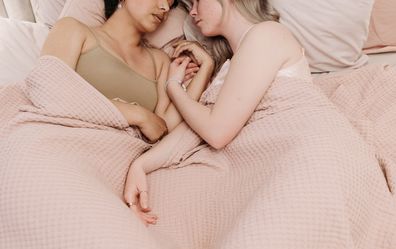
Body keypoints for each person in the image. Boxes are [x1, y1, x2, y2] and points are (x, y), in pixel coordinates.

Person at [124, 0, 311, 213]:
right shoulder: (233, 63)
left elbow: (216, 131)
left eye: (197, 1)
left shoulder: (266, 34)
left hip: (296, 158)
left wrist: (174, 87)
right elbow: (198, 127)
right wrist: (141, 165)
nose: (192, 12)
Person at [40, 0, 216, 225]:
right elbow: (48, 89)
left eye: (170, 4)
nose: (164, 7)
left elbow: (163, 128)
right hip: (61, 151)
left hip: (113, 167)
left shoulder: (159, 61)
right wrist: (136, 114)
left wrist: (206, 68)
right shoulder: (74, 30)